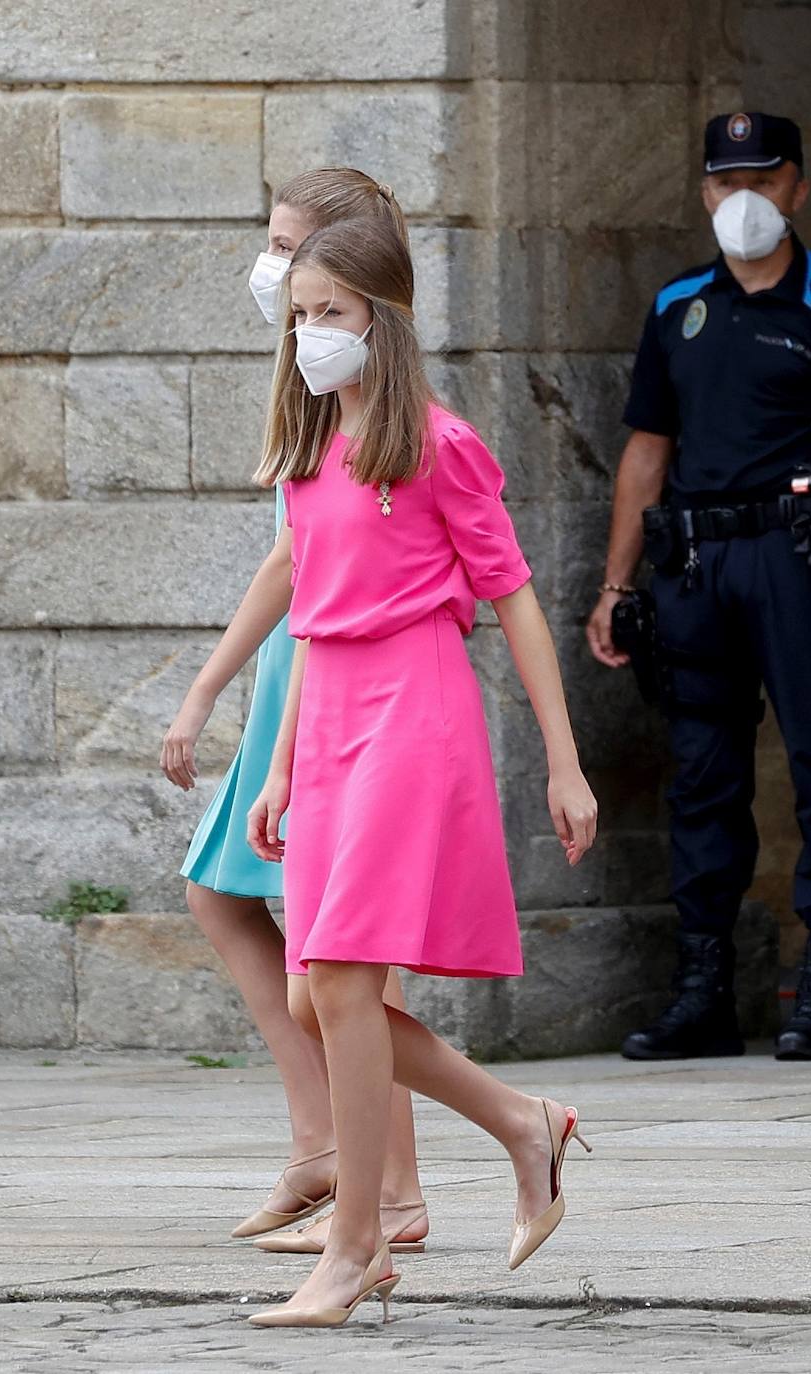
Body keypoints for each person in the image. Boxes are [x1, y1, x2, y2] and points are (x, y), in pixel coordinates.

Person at [241, 217, 597, 1329]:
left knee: (343, 979)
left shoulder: (439, 445)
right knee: (314, 990)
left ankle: (356, 1248)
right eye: (301, 315)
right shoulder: (307, 454)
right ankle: (520, 1124)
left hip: (414, 707)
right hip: (335, 716)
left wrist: (564, 760)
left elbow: (515, 600)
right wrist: (282, 768)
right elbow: (310, 619)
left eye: (331, 315)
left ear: (381, 322)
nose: (309, 335)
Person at [586, 112, 811, 1063]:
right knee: (701, 777)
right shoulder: (677, 307)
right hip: (697, 565)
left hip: (804, 563)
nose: (743, 198)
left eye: (764, 178)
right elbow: (645, 452)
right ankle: (703, 992)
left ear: (798, 188)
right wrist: (616, 584)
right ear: (703, 192)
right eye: (724, 181)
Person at [160, 169, 428, 1254]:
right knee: (225, 901)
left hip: (333, 683)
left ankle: (394, 1187)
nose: (270, 268)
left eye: (286, 247)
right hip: (292, 671)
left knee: (345, 955)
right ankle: (323, 1144)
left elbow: (343, 571)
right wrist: (211, 682)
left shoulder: (366, 387)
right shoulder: (308, 381)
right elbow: (290, 553)